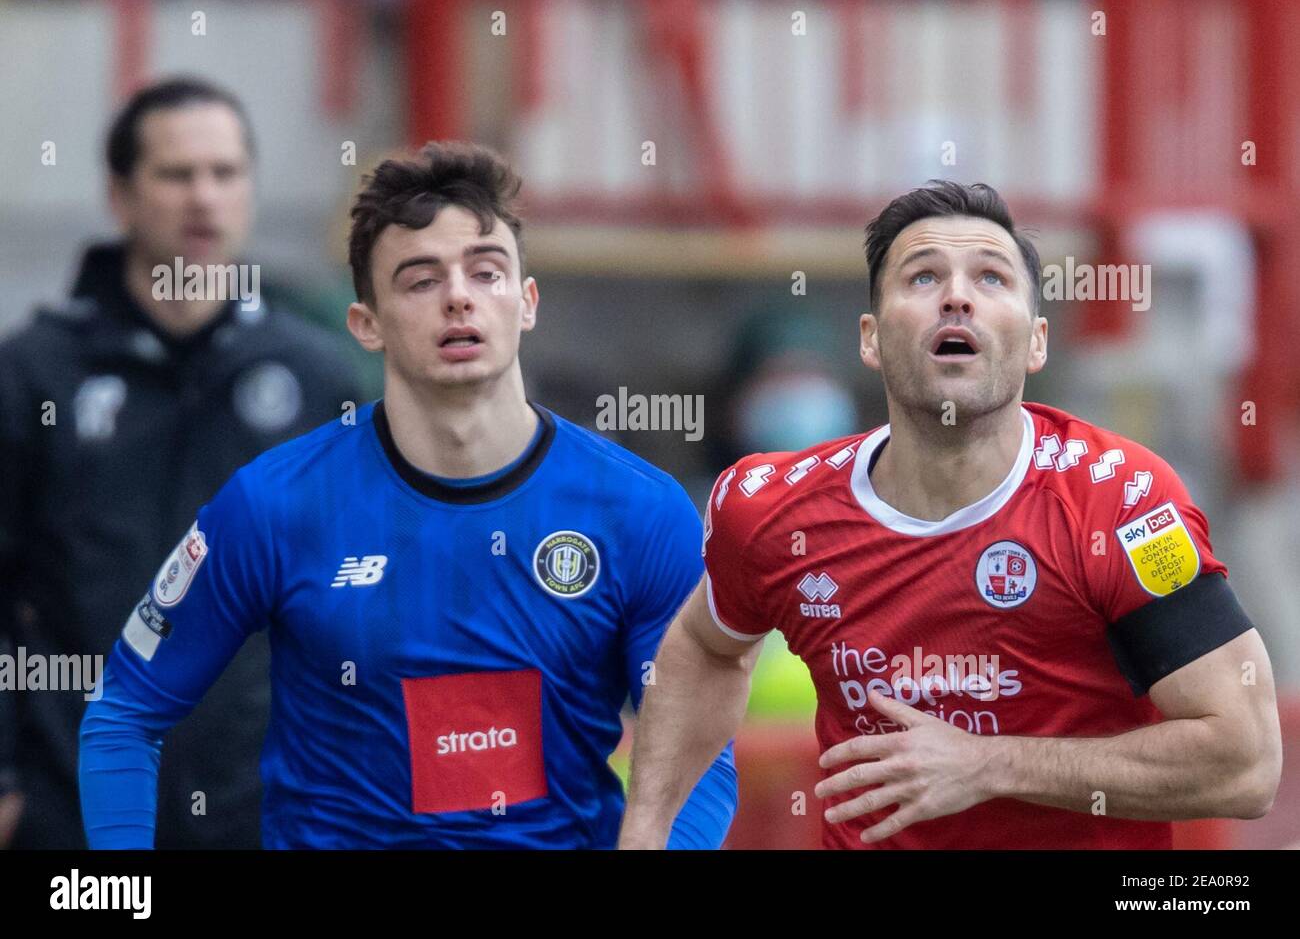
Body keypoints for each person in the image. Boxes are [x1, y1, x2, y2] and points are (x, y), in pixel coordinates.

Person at [79, 142, 737, 849]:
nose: (459, 295)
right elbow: (124, 714)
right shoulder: (275, 504)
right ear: (367, 324)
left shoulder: (641, 513)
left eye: (487, 272)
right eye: (421, 281)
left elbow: (702, 762)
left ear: (527, 302)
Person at [618, 180, 1282, 850]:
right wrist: (645, 833)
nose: (956, 296)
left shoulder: (1122, 501)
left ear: (1036, 342)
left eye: (991, 278)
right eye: (923, 276)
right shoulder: (772, 506)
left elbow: (1246, 761)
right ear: (871, 340)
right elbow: (708, 646)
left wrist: (987, 764)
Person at [0, 76, 361, 849]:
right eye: (176, 174)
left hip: (263, 810)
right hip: (72, 812)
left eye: (225, 173)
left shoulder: (321, 380)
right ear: (120, 195)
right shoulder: (32, 375)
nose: (205, 197)